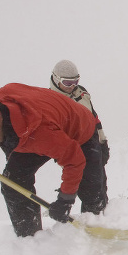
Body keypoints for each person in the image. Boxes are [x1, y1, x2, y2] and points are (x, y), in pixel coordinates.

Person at [0, 83, 105, 237]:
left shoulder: (42, 133)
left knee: (91, 191)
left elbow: (74, 160)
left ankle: (96, 226)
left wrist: (65, 201)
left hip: (81, 130)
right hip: (30, 129)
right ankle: (29, 237)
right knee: (13, 182)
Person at [49, 60, 110, 202]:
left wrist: (102, 141)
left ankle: (99, 216)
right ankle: (90, 216)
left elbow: (94, 118)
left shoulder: (82, 93)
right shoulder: (51, 100)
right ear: (56, 79)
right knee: (87, 186)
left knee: (100, 183)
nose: (72, 86)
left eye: (75, 81)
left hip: (93, 143)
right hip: (74, 147)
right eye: (67, 83)